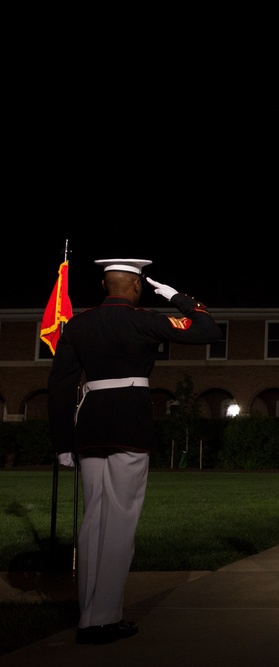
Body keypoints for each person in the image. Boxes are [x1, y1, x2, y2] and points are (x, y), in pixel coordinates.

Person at [48, 258, 223, 645]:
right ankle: (104, 618)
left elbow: (59, 385)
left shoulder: (78, 325)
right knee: (120, 522)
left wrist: (62, 442)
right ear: (137, 287)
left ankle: (88, 616)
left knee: (93, 520)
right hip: (130, 422)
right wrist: (178, 296)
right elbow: (207, 329)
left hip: (90, 426)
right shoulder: (144, 319)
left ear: (105, 284)